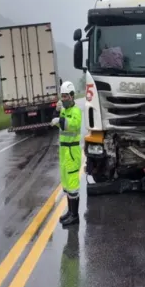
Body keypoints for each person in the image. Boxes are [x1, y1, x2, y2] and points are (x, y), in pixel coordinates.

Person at [51, 81, 82, 227]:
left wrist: (60, 120)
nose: (63, 99)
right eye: (61, 96)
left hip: (72, 151)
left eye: (65, 96)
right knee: (67, 184)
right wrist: (57, 112)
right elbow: (58, 122)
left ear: (72, 96)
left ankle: (75, 216)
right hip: (64, 151)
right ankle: (70, 212)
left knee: (73, 184)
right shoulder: (64, 110)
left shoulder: (75, 111)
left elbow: (73, 125)